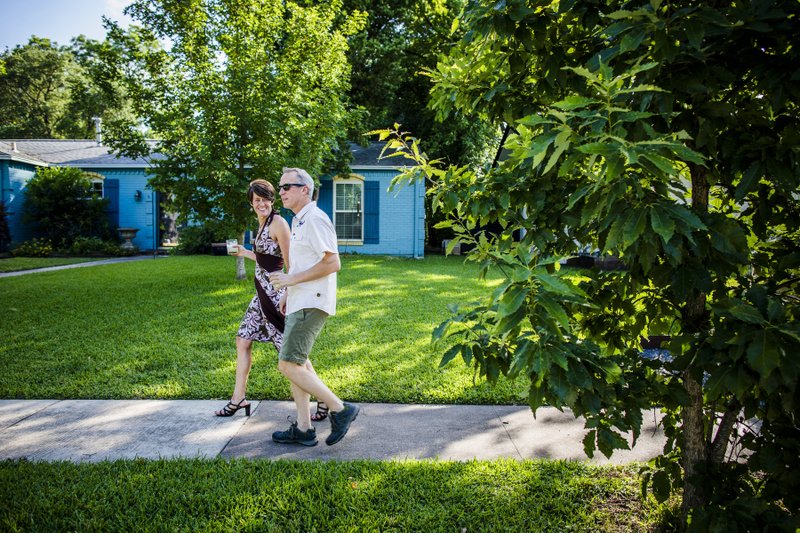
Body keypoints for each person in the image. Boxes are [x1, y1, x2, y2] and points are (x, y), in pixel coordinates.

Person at [268, 167, 360, 446]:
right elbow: (303, 261)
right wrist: (288, 290)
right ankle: (304, 428)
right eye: (280, 187)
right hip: (299, 299)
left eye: (287, 187)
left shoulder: (315, 219)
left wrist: (291, 279)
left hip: (312, 302)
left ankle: (340, 409)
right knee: (299, 364)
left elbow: (333, 262)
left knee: (287, 364)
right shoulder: (299, 221)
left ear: (304, 189)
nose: (281, 192)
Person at [215, 179, 291, 417]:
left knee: (289, 353)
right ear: (251, 203)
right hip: (260, 295)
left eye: (266, 199)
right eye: (257, 200)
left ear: (272, 200)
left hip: (275, 296)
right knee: (243, 340)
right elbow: (267, 259)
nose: (262, 203)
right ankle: (239, 398)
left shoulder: (278, 223)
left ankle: (324, 400)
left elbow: (291, 263)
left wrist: (288, 293)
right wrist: (246, 252)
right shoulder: (261, 224)